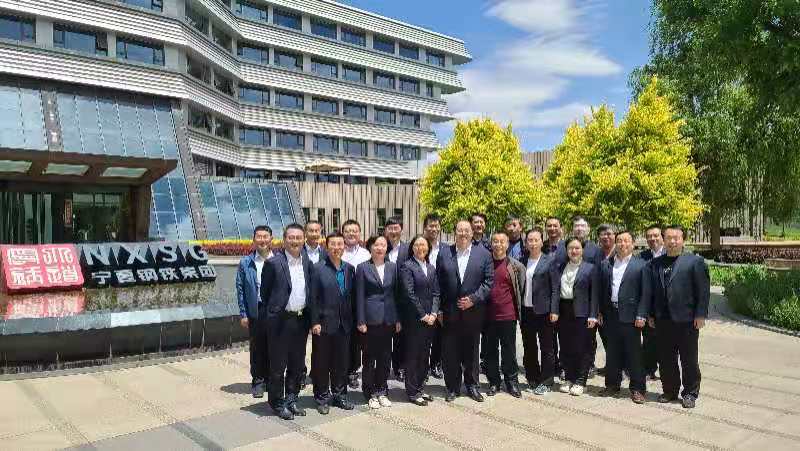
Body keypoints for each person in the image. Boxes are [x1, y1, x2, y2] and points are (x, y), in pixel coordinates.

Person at [642, 225, 710, 409]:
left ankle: (690, 393)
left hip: (687, 320)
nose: (672, 241)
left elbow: (703, 291)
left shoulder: (694, 262)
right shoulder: (654, 264)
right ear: (663, 240)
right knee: (666, 359)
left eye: (676, 238)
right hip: (662, 320)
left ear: (683, 240)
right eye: (669, 238)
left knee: (689, 359)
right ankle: (670, 390)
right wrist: (650, 314)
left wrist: (700, 314)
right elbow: (650, 292)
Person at [437, 219, 494, 402]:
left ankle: (472, 386)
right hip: (449, 311)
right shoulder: (445, 253)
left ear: (471, 233)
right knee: (450, 351)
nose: (463, 233)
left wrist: (473, 299)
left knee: (472, 351)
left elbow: (488, 282)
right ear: (455, 232)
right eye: (459, 230)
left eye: (466, 230)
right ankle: (452, 388)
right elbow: (438, 283)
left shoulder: (484, 254)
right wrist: (438, 310)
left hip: (473, 312)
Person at [260, 224, 313, 421]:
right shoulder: (273, 263)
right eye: (291, 237)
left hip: (300, 320)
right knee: (277, 366)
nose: (295, 241)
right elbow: (265, 293)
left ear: (303, 240)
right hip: (280, 322)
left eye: (299, 237)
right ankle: (277, 402)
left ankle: (291, 399)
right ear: (284, 240)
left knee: (297, 364)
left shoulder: (306, 261)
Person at [309, 232, 356, 415]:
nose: (337, 248)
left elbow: (351, 297)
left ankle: (340, 395)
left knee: (341, 363)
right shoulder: (318, 268)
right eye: (333, 244)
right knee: (322, 363)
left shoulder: (349, 269)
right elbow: (313, 298)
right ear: (327, 247)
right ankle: (321, 397)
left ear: (344, 247)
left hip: (344, 325)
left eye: (340, 244)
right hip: (324, 324)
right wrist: (314, 322)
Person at [599, 231, 648, 404]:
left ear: (633, 244)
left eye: (626, 241)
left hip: (632, 316)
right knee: (612, 352)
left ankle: (638, 389)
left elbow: (646, 292)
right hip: (611, 314)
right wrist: (599, 311)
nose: (622, 244)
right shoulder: (606, 264)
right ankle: (612, 385)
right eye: (619, 241)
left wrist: (642, 314)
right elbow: (601, 289)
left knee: (634, 354)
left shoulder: (641, 265)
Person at [356, 235, 401, 409]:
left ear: (386, 248)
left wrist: (397, 319)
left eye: (383, 245)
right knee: (369, 358)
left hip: (388, 320)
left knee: (385, 358)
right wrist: (361, 320)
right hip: (370, 321)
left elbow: (396, 294)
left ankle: (382, 390)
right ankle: (369, 393)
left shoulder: (392, 267)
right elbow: (359, 295)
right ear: (370, 247)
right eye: (376, 245)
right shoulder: (363, 268)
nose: (380, 248)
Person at [551, 237, 599, 396]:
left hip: (583, 312)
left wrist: (593, 315)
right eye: (570, 248)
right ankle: (569, 378)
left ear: (582, 250)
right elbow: (555, 290)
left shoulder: (590, 268)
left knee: (583, 347)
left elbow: (594, 294)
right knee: (566, 346)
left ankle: (580, 380)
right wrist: (554, 310)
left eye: (577, 248)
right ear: (566, 250)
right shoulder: (560, 267)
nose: (574, 251)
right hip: (564, 310)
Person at [399, 235, 440, 406]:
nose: (420, 248)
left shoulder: (431, 268)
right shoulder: (407, 266)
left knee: (424, 355)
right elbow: (409, 293)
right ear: (412, 248)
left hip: (430, 319)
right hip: (415, 320)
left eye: (423, 245)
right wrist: (423, 315)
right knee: (413, 356)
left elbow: (436, 293)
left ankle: (420, 388)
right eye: (416, 245)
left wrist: (434, 313)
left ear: (428, 248)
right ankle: (412, 391)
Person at [484, 231, 525, 398]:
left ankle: (511, 382)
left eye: (502, 241)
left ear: (507, 244)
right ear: (491, 244)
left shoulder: (515, 266)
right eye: (495, 241)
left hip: (508, 316)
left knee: (509, 352)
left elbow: (521, 289)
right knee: (490, 351)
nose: (498, 244)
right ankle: (494, 382)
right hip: (488, 317)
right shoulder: (485, 263)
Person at [236, 225, 274, 399]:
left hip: (275, 310)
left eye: (265, 236)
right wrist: (243, 314)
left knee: (275, 346)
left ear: (271, 239)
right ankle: (258, 381)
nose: (262, 240)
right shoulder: (246, 262)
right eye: (259, 237)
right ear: (254, 239)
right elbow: (240, 289)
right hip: (256, 309)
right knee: (257, 347)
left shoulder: (279, 259)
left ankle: (272, 380)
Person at [519, 227, 558, 395]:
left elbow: (555, 288)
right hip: (526, 310)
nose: (533, 243)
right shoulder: (522, 261)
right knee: (529, 346)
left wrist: (554, 310)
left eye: (536, 240)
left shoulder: (549, 261)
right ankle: (532, 377)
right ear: (526, 243)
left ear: (542, 242)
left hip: (544, 311)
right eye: (530, 240)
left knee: (547, 347)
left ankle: (547, 381)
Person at [572, 216, 604, 378]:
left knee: (589, 336)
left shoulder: (596, 250)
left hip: (589, 300)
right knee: (573, 336)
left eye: (582, 226)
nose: (579, 228)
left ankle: (589, 364)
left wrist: (596, 308)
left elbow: (598, 278)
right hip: (571, 300)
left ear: (588, 229)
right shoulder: (568, 247)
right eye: (576, 226)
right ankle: (573, 364)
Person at [342, 219, 371, 389]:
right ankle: (340, 369)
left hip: (360, 302)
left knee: (356, 340)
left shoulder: (366, 254)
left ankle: (353, 371)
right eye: (348, 231)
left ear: (359, 234)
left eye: (354, 231)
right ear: (343, 233)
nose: (351, 234)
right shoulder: (337, 251)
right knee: (342, 339)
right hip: (340, 303)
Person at [384, 216, 409, 383]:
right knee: (385, 337)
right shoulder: (381, 247)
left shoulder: (407, 249)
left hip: (403, 300)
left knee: (401, 337)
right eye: (390, 228)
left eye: (396, 228)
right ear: (386, 230)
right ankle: (385, 367)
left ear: (401, 229)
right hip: (385, 299)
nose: (393, 231)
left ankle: (400, 367)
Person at [422, 213, 446, 380]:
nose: (434, 228)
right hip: (422, 297)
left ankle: (436, 364)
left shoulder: (446, 249)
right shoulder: (419, 245)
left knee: (439, 334)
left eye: (436, 226)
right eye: (431, 225)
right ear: (425, 227)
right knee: (423, 335)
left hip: (441, 296)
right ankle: (422, 367)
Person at [639, 225, 664, 380]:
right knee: (649, 341)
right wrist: (646, 313)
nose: (652, 239)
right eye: (649, 236)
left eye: (655, 235)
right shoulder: (642, 257)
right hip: (648, 307)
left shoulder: (670, 254)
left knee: (666, 342)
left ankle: (667, 370)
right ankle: (649, 369)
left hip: (666, 308)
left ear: (662, 237)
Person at [543, 217, 566, 380]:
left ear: (560, 228)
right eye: (549, 226)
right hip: (546, 296)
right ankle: (553, 365)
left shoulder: (567, 247)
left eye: (555, 226)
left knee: (564, 335)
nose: (552, 228)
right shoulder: (541, 246)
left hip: (564, 296)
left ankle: (565, 366)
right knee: (549, 336)